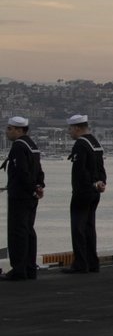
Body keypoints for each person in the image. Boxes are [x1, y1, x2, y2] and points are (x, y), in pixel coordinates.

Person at [2, 116, 44, 281]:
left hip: (19, 196)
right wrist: (39, 186)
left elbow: (22, 172)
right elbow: (39, 170)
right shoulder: (32, 146)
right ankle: (29, 268)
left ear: (19, 130)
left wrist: (31, 188)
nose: (7, 132)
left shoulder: (18, 147)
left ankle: (18, 269)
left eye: (10, 129)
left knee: (17, 232)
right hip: (31, 196)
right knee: (29, 231)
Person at [65, 114, 106, 273]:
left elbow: (80, 171)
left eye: (70, 129)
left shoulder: (81, 145)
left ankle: (80, 263)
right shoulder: (95, 143)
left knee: (78, 228)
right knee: (90, 227)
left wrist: (89, 183)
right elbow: (101, 168)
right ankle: (92, 262)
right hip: (95, 191)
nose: (69, 132)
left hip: (82, 192)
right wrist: (101, 182)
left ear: (77, 128)